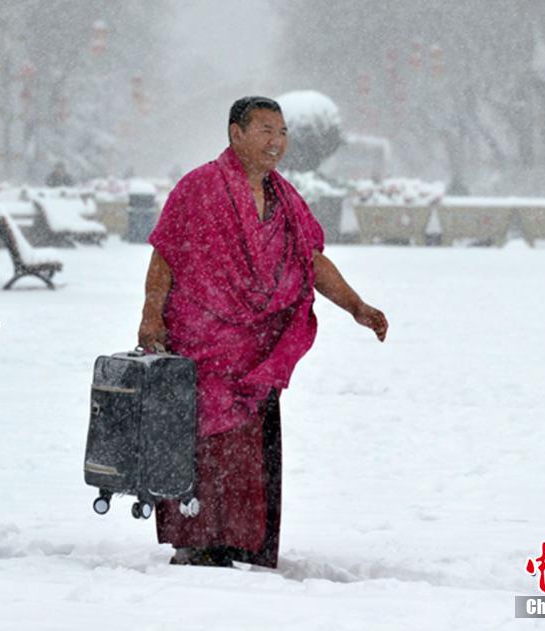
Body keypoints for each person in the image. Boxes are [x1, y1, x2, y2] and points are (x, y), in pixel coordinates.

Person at [138, 96, 388, 568]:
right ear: (236, 133)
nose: (277, 142)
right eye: (266, 131)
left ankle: (243, 541)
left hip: (258, 349)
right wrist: (151, 316)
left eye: (282, 132)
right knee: (207, 444)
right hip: (203, 344)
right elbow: (164, 255)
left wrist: (356, 306)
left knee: (251, 450)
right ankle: (196, 541)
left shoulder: (285, 199)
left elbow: (311, 259)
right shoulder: (198, 188)